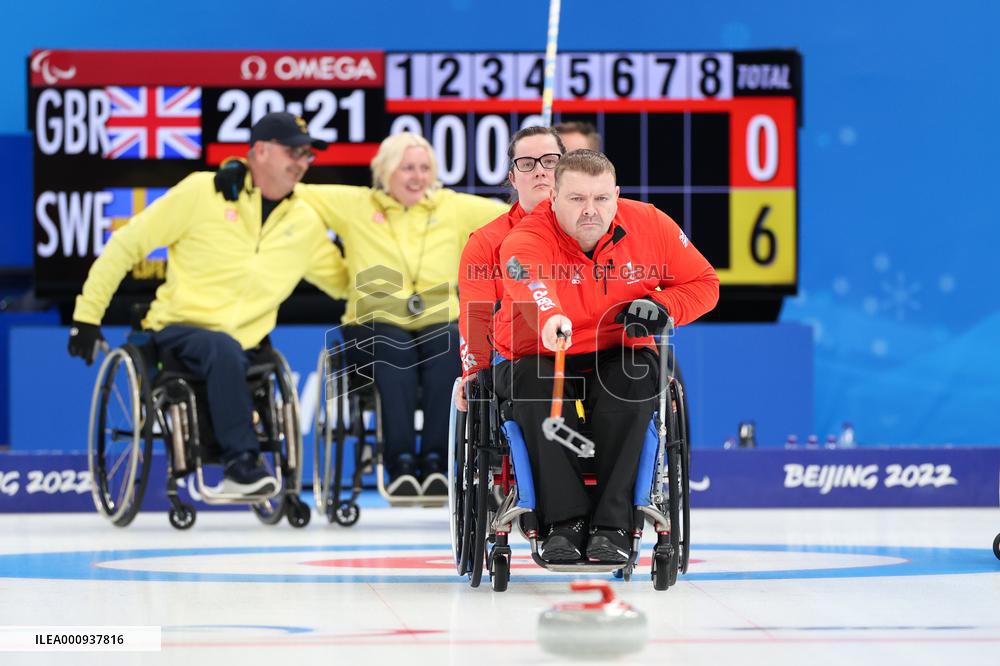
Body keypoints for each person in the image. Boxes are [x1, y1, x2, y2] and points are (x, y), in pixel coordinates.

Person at [68, 111, 350, 497]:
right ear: (261, 151)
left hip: (247, 345)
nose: (302, 163)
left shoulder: (304, 221)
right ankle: (241, 463)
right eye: (294, 152)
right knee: (221, 347)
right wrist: (87, 316)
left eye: (308, 155)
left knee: (232, 350)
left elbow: (344, 282)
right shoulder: (203, 192)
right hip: (178, 331)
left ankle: (245, 461)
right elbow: (126, 244)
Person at [215, 132, 506, 497]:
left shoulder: (454, 207)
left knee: (450, 343)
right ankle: (398, 463)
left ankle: (437, 462)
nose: (417, 176)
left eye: (424, 168)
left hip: (437, 320)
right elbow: (289, 184)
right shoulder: (355, 204)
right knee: (392, 345)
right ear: (384, 172)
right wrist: (238, 169)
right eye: (406, 168)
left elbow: (512, 214)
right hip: (374, 323)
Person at [493, 149, 719, 563]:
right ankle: (564, 522)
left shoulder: (650, 224)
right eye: (577, 199)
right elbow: (527, 278)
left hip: (619, 347)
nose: (590, 211)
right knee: (534, 387)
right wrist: (549, 314)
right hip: (542, 349)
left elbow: (704, 283)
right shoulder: (527, 236)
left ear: (616, 195)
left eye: (600, 198)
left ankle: (613, 524)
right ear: (554, 198)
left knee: (632, 382)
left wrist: (665, 305)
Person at [456, 125, 566, 411]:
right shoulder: (486, 242)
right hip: (519, 358)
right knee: (534, 379)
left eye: (550, 161)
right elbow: (475, 314)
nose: (540, 171)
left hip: (591, 350)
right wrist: (473, 373)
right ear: (513, 178)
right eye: (527, 164)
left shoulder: (593, 228)